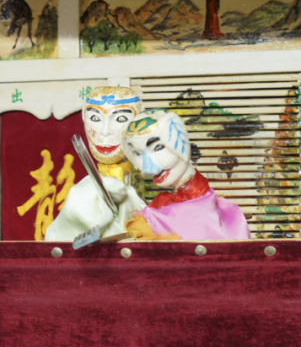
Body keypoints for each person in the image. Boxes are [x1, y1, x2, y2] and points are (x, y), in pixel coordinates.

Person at [121, 110, 251, 240]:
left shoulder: (206, 207)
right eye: (137, 153)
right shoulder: (164, 203)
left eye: (158, 147)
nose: (147, 168)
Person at [44, 86, 147, 241]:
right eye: (95, 118)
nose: (105, 131)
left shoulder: (152, 178)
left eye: (120, 119)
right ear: (84, 118)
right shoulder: (82, 196)